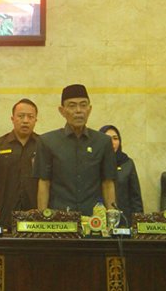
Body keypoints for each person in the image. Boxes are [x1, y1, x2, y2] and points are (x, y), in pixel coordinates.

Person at [33, 84, 116, 216]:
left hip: (94, 219)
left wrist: (112, 217)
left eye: (83, 105)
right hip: (59, 219)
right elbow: (44, 183)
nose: (78, 110)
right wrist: (43, 218)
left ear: (90, 109)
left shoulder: (103, 142)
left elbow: (108, 183)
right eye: (72, 106)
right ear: (62, 111)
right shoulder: (47, 141)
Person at [0, 98, 39, 229]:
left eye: (30, 116)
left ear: (36, 120)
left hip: (36, 220)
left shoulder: (43, 146)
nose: (25, 120)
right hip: (4, 218)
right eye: (21, 116)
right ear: (12, 119)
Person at [99, 125, 144, 224]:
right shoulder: (94, 163)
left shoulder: (127, 163)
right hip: (98, 221)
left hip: (124, 220)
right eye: (107, 139)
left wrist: (138, 223)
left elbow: (135, 198)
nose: (112, 142)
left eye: (115, 138)